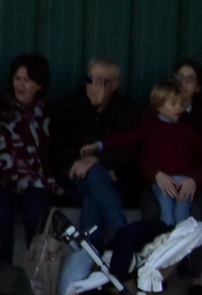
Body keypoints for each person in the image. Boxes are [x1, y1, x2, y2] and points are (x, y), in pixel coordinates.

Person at [89, 78, 202, 227]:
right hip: (162, 183)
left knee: (182, 216)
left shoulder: (186, 129)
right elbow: (125, 138)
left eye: (180, 103)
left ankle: (181, 252)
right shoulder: (150, 127)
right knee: (167, 216)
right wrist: (99, 145)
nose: (179, 107)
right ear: (159, 105)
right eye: (173, 104)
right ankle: (167, 251)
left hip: (183, 182)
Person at [49, 58, 138, 245]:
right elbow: (60, 148)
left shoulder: (126, 110)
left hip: (112, 179)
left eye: (101, 81)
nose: (93, 86)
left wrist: (96, 161)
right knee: (94, 176)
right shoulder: (70, 105)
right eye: (90, 79)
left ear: (115, 85)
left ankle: (91, 254)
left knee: (92, 196)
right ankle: (127, 238)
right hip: (73, 179)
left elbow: (130, 150)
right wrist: (91, 108)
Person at [166, 59, 202, 295]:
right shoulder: (157, 110)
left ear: (198, 87)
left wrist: (193, 180)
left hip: (192, 184)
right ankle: (162, 269)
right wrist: (157, 176)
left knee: (196, 213)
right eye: (178, 76)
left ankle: (194, 281)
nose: (182, 83)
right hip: (161, 183)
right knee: (153, 210)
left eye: (188, 79)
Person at [0, 54, 58, 265]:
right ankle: (3, 285)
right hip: (3, 178)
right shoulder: (2, 108)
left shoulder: (49, 115)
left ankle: (38, 282)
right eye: (17, 78)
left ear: (39, 85)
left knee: (36, 215)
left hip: (35, 179)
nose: (20, 85)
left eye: (27, 80)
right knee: (1, 216)